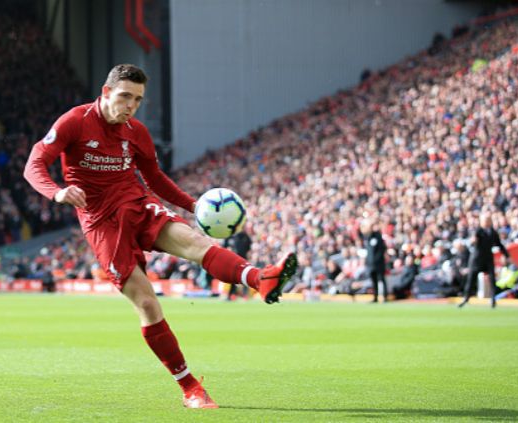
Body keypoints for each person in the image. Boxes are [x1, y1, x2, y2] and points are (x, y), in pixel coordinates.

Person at [24, 64, 297, 409]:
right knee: (148, 303)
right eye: (125, 97)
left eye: (137, 100)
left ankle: (261, 278)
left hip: (136, 202)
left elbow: (154, 177)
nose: (130, 106)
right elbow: (34, 163)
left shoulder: (135, 131)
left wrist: (193, 205)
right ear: (106, 92)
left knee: (198, 244)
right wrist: (56, 192)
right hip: (100, 222)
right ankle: (190, 387)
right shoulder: (74, 122)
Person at [459, 213, 510, 308]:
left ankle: (493, 299)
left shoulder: (492, 232)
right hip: (477, 260)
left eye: (488, 220)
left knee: (492, 280)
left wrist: (506, 255)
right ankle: (466, 298)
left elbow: (499, 244)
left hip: (488, 259)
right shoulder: (478, 231)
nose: (487, 222)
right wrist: (473, 241)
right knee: (471, 280)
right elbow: (472, 241)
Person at [361, 219, 387, 303]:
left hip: (379, 264)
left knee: (381, 280)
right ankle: (375, 297)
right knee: (374, 281)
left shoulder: (377, 236)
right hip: (370, 264)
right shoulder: (367, 238)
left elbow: (382, 249)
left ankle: (384, 297)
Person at [224, 227, 252, 300]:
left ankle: (245, 295)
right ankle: (231, 295)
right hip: (232, 260)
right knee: (232, 278)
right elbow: (224, 247)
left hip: (243, 261)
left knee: (244, 277)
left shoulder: (245, 237)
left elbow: (249, 249)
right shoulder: (230, 236)